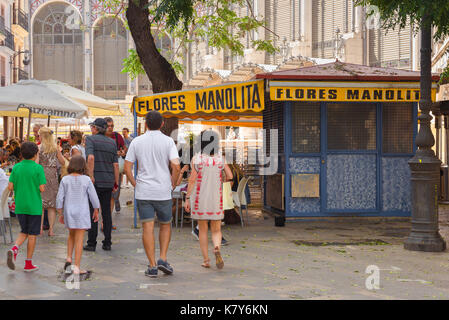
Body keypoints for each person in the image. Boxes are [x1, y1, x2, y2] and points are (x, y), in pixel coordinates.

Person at [124, 111, 180, 278]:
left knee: (147, 227)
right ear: (162, 124)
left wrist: (136, 184)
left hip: (144, 192)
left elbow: (127, 168)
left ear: (146, 124)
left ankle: (152, 265)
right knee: (165, 224)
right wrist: (173, 183)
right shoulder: (168, 141)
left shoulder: (137, 141)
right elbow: (176, 166)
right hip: (163, 191)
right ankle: (163, 258)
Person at [184, 130, 232, 269]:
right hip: (216, 199)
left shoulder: (197, 159)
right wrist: (220, 178)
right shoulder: (220, 159)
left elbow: (192, 181)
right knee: (216, 230)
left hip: (200, 200)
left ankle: (206, 260)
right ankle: (217, 248)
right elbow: (229, 175)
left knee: (203, 230)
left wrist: (187, 198)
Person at [57, 155, 100, 280]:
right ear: (83, 166)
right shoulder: (86, 180)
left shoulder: (65, 180)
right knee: (80, 239)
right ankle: (76, 267)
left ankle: (69, 257)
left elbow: (60, 197)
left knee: (71, 235)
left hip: (69, 211)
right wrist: (96, 209)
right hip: (82, 212)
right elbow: (93, 196)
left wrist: (60, 211)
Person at [6, 142, 46, 272]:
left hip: (20, 205)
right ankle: (28, 263)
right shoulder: (38, 168)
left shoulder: (16, 167)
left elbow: (10, 187)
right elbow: (42, 188)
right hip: (34, 206)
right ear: (35, 155)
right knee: (32, 234)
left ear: (21, 154)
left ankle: (14, 248)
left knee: (24, 231)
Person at [84, 118, 119, 252]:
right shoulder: (112, 142)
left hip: (95, 181)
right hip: (108, 181)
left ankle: (92, 243)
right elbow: (115, 165)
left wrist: (91, 176)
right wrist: (115, 182)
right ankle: (107, 242)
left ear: (95, 128)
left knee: (93, 211)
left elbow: (90, 158)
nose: (91, 129)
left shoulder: (91, 140)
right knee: (106, 213)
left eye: (92, 126)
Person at [37, 127, 65, 236]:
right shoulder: (56, 148)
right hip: (52, 175)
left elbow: (36, 163)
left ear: (42, 136)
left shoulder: (38, 148)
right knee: (51, 205)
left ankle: (39, 229)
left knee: (41, 203)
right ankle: (51, 230)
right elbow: (62, 162)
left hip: (42, 175)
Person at [105, 117, 125, 216]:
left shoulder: (117, 136)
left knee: (114, 193)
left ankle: (108, 218)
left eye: (112, 126)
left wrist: (122, 152)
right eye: (108, 126)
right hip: (103, 169)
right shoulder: (98, 136)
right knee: (106, 195)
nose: (110, 128)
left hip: (116, 168)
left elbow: (124, 149)